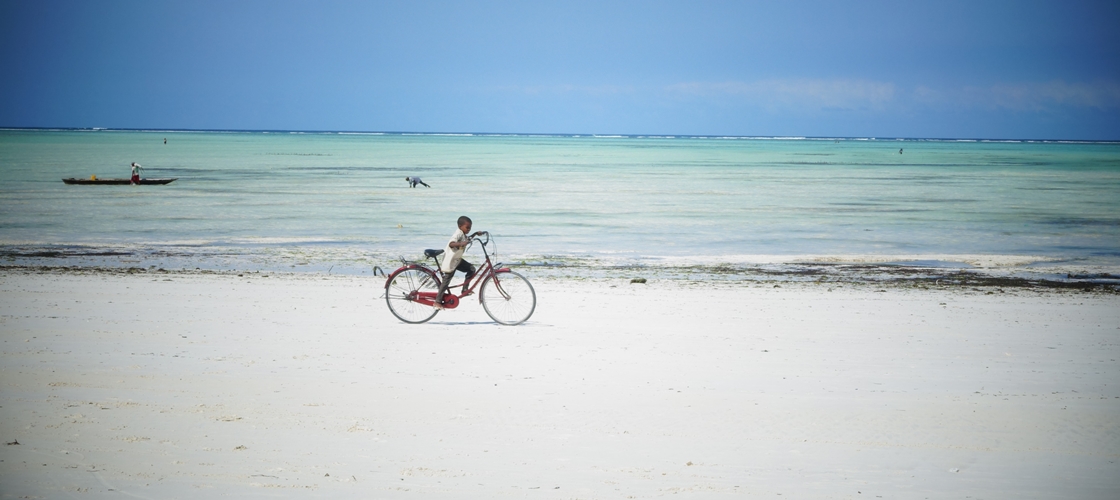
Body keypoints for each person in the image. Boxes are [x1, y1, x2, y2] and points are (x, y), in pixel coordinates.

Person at [434, 215, 482, 308]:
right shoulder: (458, 233)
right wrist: (461, 243)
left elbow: (467, 239)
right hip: (451, 261)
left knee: (471, 269)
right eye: (467, 227)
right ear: (460, 227)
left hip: (457, 260)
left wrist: (475, 233)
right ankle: (437, 301)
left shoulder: (463, 234)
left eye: (470, 228)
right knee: (446, 281)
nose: (469, 229)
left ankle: (465, 290)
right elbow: (451, 244)